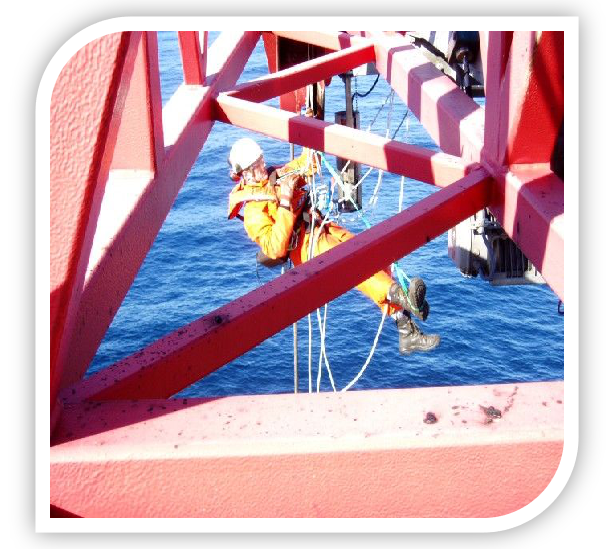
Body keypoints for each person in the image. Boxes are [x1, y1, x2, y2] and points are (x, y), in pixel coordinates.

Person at [227, 137, 440, 356]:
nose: (261, 169)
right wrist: (284, 201)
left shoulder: (277, 175)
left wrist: (309, 127)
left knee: (372, 257)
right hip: (307, 247)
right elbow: (275, 248)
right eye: (255, 167)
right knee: (358, 268)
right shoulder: (254, 212)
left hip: (323, 228)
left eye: (261, 162)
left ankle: (406, 330)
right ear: (242, 173)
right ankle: (403, 298)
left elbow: (310, 164)